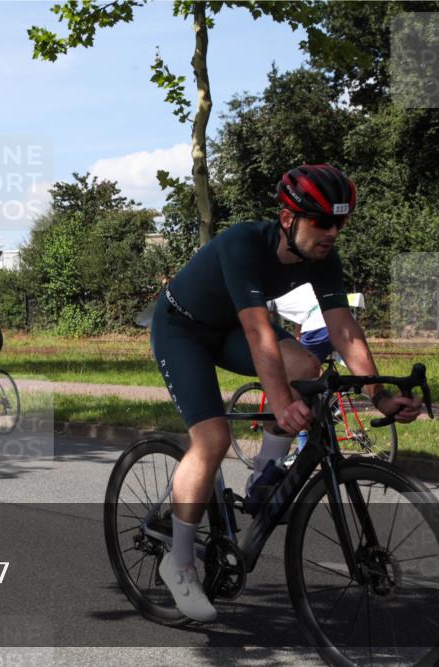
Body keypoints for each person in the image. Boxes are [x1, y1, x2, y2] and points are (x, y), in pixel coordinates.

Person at [149, 164, 422, 622]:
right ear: (288, 218)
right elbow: (259, 334)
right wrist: (280, 402)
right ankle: (177, 563)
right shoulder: (243, 244)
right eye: (321, 221)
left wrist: (377, 396)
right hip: (183, 329)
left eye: (340, 222)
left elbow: (344, 330)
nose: (332, 232)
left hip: (229, 328)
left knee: (307, 366)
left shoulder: (323, 257)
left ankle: (265, 471)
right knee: (212, 440)